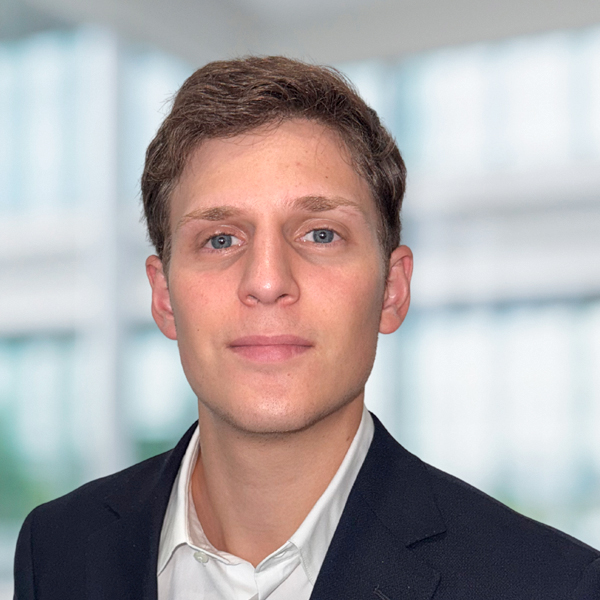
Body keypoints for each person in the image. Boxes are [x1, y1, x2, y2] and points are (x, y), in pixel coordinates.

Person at [13, 56, 600, 600]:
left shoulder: (552, 584)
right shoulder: (57, 546)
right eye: (220, 239)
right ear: (164, 298)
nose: (267, 281)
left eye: (320, 234)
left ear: (392, 291)